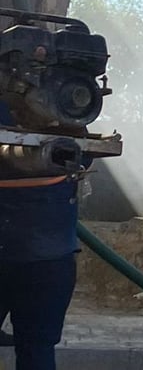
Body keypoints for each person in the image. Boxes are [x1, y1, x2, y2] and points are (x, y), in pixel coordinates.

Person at [0, 101, 89, 368]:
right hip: (52, 257)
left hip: (28, 252)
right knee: (37, 350)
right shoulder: (67, 111)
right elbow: (85, 155)